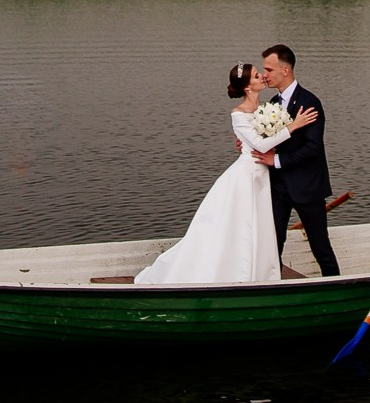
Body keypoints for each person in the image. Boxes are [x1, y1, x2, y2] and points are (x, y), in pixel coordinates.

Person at [137, 62, 321, 284]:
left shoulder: (266, 109)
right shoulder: (239, 114)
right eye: (255, 76)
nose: (262, 76)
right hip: (247, 175)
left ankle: (261, 274)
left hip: (263, 174)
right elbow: (259, 145)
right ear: (247, 87)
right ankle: (237, 273)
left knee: (261, 226)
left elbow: (264, 140)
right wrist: (293, 126)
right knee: (242, 225)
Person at [253, 44, 339, 276]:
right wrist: (247, 142)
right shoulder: (271, 104)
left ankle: (335, 289)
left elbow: (312, 148)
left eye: (269, 70)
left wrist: (277, 160)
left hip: (307, 187)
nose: (264, 75)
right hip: (278, 188)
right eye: (263, 70)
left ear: (286, 70)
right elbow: (264, 141)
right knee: (273, 244)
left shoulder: (309, 102)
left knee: (320, 246)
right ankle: (275, 287)